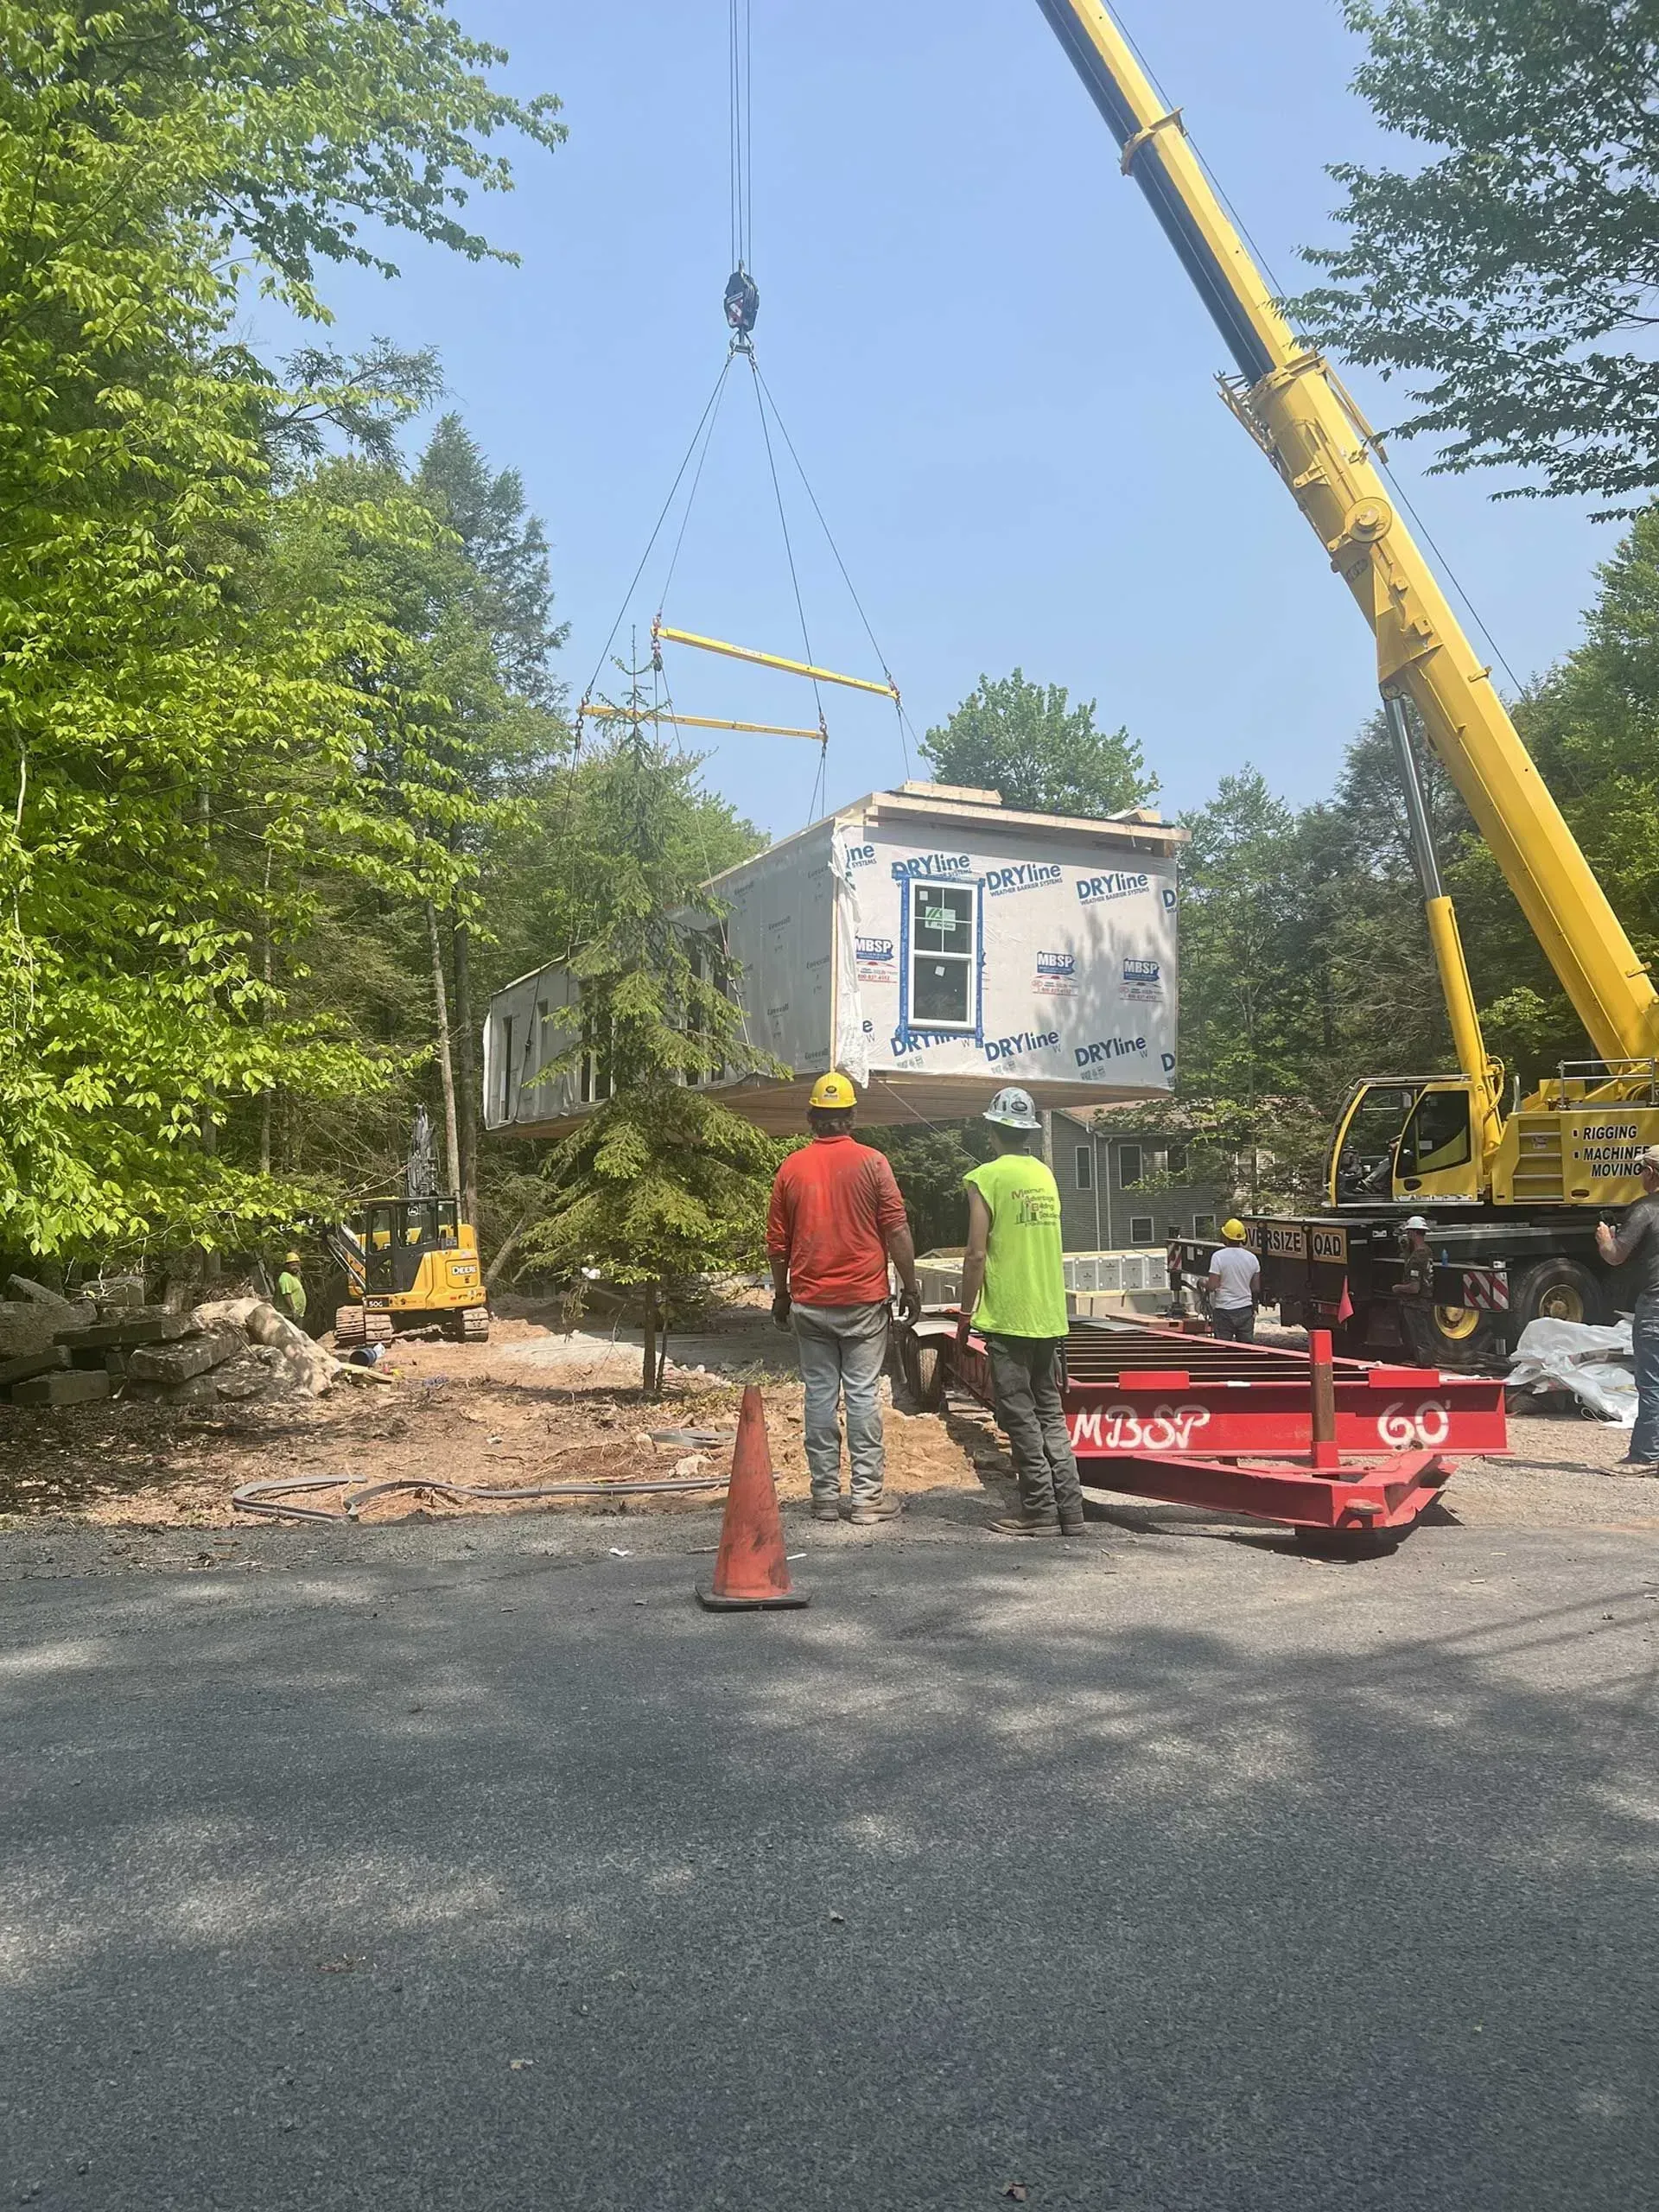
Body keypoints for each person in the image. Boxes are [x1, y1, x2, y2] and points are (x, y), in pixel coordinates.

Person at [767, 1072, 922, 1526]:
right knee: (862, 1396)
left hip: (811, 1302)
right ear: (851, 1116)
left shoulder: (791, 1167)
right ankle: (867, 1500)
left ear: (812, 1118)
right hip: (863, 1300)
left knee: (818, 1395)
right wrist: (910, 1286)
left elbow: (777, 1243)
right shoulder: (874, 1163)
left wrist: (781, 1293)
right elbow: (896, 1228)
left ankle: (823, 1499)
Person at [959, 1086, 1086, 1539]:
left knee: (1019, 1414)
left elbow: (976, 1254)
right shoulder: (1045, 1175)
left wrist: (964, 1314)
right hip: (1049, 1315)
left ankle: (1038, 1509)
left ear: (992, 1129)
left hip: (1010, 1314)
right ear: (1028, 1132)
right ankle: (1071, 1510)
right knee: (1050, 1412)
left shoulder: (984, 1178)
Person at [1595, 1145, 1659, 1474]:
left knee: (1652, 1384)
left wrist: (1605, 1237)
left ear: (1651, 1172)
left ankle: (1646, 1455)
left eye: (1641, 1171)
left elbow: (1615, 1256)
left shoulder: (1645, 1209)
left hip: (1656, 1306)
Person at [1204, 1219, 1260, 1342]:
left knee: (1223, 1350)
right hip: (1245, 1310)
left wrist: (1203, 1283)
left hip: (1224, 1311)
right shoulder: (1252, 1258)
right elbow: (1256, 1288)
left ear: (1226, 1237)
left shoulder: (1218, 1256)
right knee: (1246, 1350)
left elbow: (1212, 1286)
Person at [1396, 1215, 1434, 1300]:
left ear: (1414, 1232)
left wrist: (1398, 1288)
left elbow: (1414, 1288)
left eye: (1408, 1232)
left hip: (1415, 1304)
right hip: (1425, 1301)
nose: (1407, 1235)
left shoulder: (1417, 1256)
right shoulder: (1427, 1250)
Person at [276, 1250, 308, 1329]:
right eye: (293, 1265)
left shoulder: (295, 1277)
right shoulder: (285, 1277)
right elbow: (286, 1294)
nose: (296, 1267)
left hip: (297, 1314)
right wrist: (293, 1310)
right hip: (289, 1315)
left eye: (297, 1265)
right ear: (286, 1266)